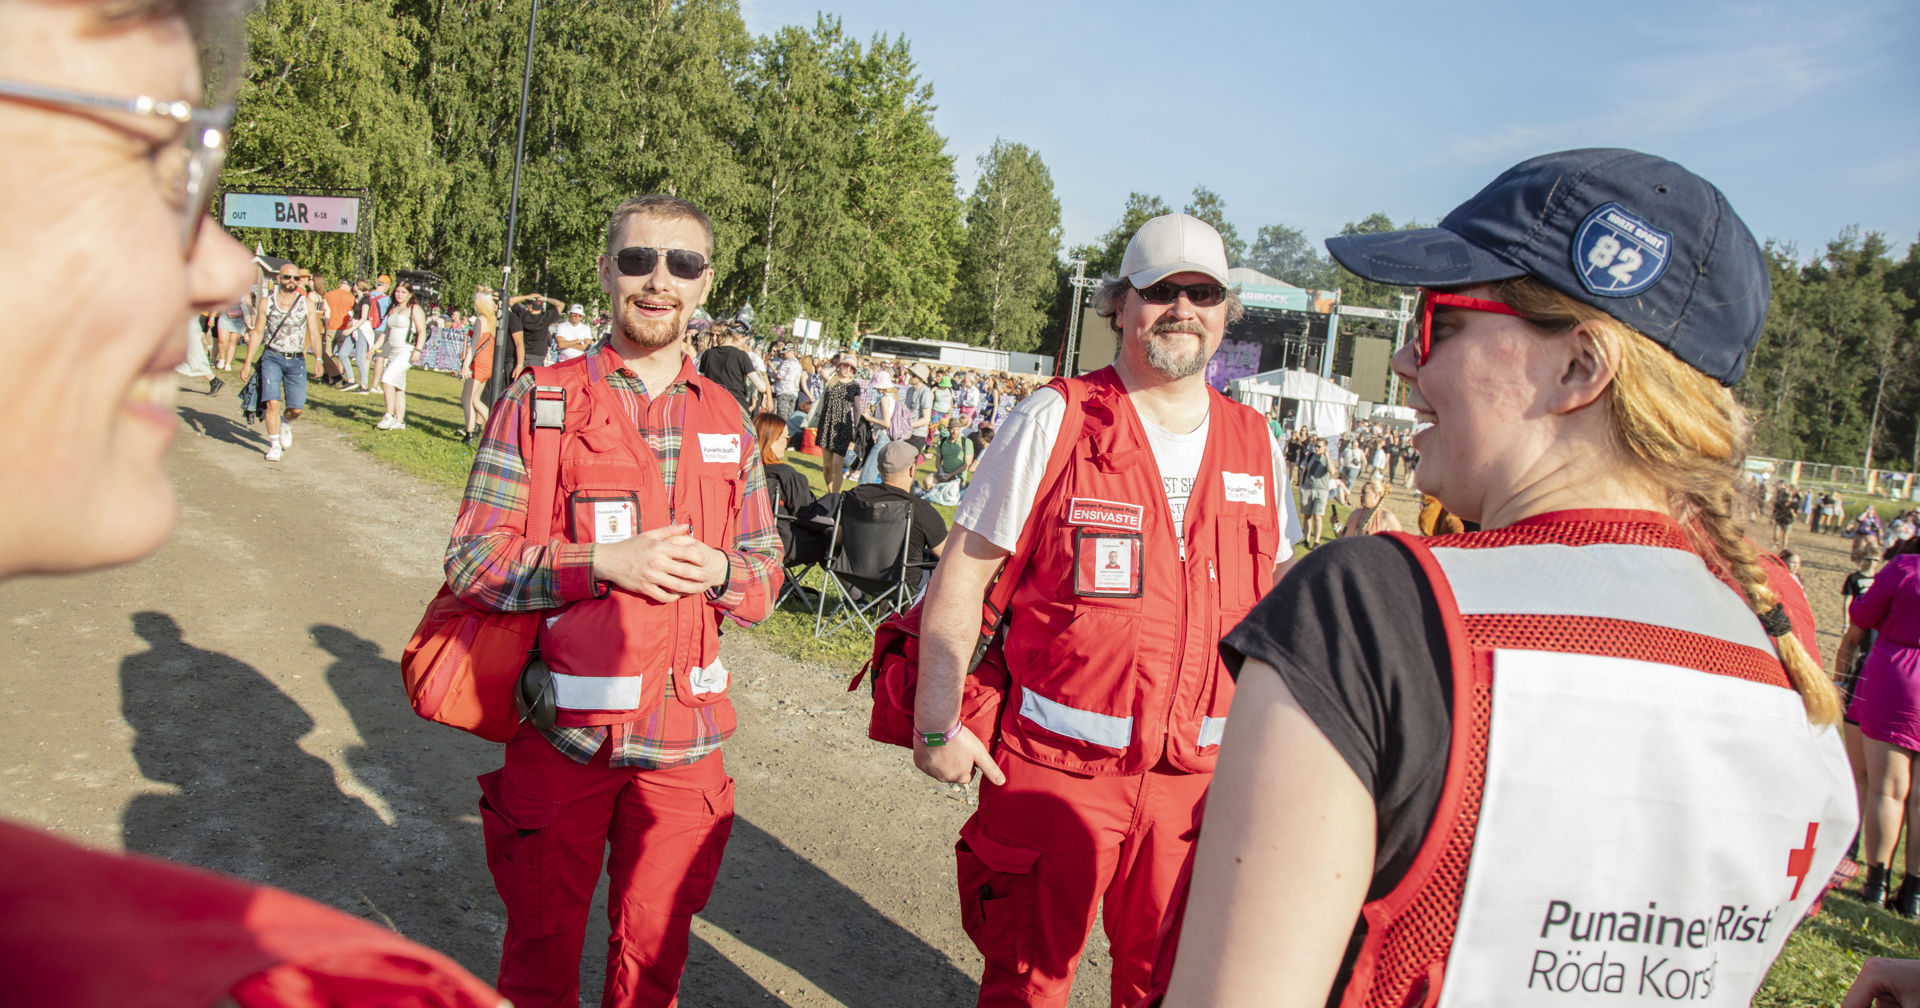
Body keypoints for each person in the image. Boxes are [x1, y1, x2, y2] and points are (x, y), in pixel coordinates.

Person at [1153, 148, 1855, 1007]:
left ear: (1580, 369)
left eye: (1437, 324)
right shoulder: (1777, 636)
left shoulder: (1374, 613)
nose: (1408, 365)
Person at [0, 1, 504, 1003]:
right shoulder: (304, 979)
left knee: (285, 401)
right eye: (139, 157)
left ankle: (275, 438)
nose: (223, 264)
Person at [913, 213, 1301, 1008]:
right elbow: (962, 575)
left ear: (1228, 312)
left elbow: (1285, 616)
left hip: (1196, 786)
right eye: (1161, 291)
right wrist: (934, 721)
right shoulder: (1055, 418)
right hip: (1056, 772)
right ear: (1119, 305)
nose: (1182, 309)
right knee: (1027, 983)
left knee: (1171, 988)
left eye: (1203, 293)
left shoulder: (1257, 443)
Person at [444, 193, 780, 1008]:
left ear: (704, 285)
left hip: (685, 750)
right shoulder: (541, 402)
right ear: (605, 273)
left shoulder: (731, 419)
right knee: (540, 959)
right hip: (562, 742)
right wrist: (600, 563)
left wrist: (719, 574)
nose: (658, 280)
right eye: (637, 260)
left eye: (682, 263)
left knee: (653, 968)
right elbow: (472, 562)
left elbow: (765, 579)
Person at [1843, 535, 1920, 915]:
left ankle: (1876, 884)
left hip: (1897, 677)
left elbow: (1861, 616)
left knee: (1887, 790)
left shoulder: (1904, 568)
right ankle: (1913, 895)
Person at [237, 260, 319, 462]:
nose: (291, 281)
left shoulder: (306, 303)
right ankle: (274, 445)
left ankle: (286, 423)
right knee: (272, 403)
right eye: (287, 277)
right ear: (278, 279)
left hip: (296, 360)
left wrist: (318, 358)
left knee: (296, 408)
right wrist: (247, 362)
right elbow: (257, 333)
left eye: (296, 278)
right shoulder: (267, 302)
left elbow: (314, 333)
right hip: (272, 356)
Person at [853, 440, 947, 572]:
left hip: (854, 572)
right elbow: (946, 554)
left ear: (879, 468)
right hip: (902, 580)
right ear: (912, 470)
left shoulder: (856, 495)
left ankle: (855, 594)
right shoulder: (922, 510)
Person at [375, 280, 424, 431]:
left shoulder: (414, 309)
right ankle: (399, 420)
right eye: (397, 291)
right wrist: (375, 347)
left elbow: (422, 331)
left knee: (387, 380)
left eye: (403, 292)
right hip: (392, 350)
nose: (399, 295)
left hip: (406, 350)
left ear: (410, 294)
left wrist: (418, 350)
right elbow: (386, 333)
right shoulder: (393, 309)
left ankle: (388, 414)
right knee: (398, 386)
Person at [814, 357, 863, 495]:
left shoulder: (854, 386)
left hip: (842, 425)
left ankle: (835, 495)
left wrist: (858, 429)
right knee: (827, 466)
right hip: (827, 423)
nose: (848, 369)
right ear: (841, 366)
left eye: (851, 368)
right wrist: (836, 367)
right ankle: (830, 492)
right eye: (846, 366)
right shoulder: (831, 381)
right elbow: (823, 372)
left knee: (837, 464)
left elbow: (857, 408)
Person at [460, 288, 496, 443]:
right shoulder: (492, 320)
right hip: (488, 363)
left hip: (479, 362)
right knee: (475, 400)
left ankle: (469, 432)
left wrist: (465, 365)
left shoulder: (481, 320)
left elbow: (473, 345)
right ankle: (495, 427)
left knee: (467, 399)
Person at [856, 369, 900, 485]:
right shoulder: (893, 398)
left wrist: (868, 418)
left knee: (868, 472)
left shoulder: (885, 399)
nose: (875, 388)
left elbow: (886, 423)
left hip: (884, 436)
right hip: (889, 437)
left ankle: (862, 494)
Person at [508, 291, 564, 370]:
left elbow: (510, 301)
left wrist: (527, 296)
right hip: (538, 356)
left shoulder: (523, 315)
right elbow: (561, 304)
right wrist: (544, 298)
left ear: (530, 306)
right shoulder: (546, 317)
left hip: (523, 355)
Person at [1337, 479, 1402, 537]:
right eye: (1361, 493)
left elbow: (1400, 542)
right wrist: (1335, 526)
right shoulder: (1355, 514)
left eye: (1365, 493)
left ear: (1376, 496)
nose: (1361, 495)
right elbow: (1343, 539)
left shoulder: (1386, 518)